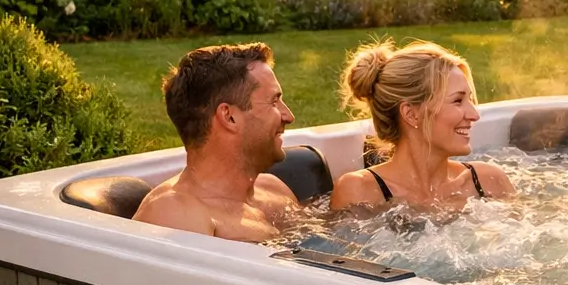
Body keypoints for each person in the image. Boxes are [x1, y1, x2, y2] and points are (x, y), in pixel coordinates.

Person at [134, 43, 298, 240]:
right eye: (274, 102)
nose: (289, 116)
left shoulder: (275, 190)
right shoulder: (175, 215)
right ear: (229, 117)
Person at [330, 39, 514, 213]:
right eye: (457, 101)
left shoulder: (488, 181)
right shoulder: (360, 191)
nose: (474, 115)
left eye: (470, 99)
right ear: (411, 114)